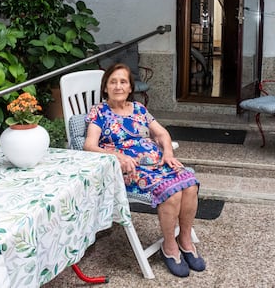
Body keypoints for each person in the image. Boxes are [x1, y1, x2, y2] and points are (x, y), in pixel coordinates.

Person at [84, 63, 206, 277]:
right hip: (129, 168)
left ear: (130, 88)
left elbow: (161, 134)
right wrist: (117, 155)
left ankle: (185, 240)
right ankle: (169, 247)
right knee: (172, 192)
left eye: (123, 82)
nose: (118, 86)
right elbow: (90, 146)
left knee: (189, 184)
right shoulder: (99, 112)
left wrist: (167, 152)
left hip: (157, 162)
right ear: (105, 88)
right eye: (113, 82)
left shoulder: (139, 109)